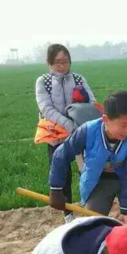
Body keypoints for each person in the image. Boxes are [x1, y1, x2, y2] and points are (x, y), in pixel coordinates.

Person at [49, 91, 127, 227]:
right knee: (93, 224)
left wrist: (126, 210)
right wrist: (56, 189)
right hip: (99, 180)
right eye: (124, 125)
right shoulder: (87, 131)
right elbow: (61, 155)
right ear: (106, 120)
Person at [36, 44, 97, 223]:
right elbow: (46, 109)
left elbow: (92, 102)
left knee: (86, 170)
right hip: (56, 135)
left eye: (65, 62)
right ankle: (68, 213)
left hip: (79, 133)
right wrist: (69, 125)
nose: (62, 66)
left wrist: (80, 126)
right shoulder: (43, 82)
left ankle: (91, 206)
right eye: (58, 62)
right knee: (62, 174)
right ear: (49, 63)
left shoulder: (78, 79)